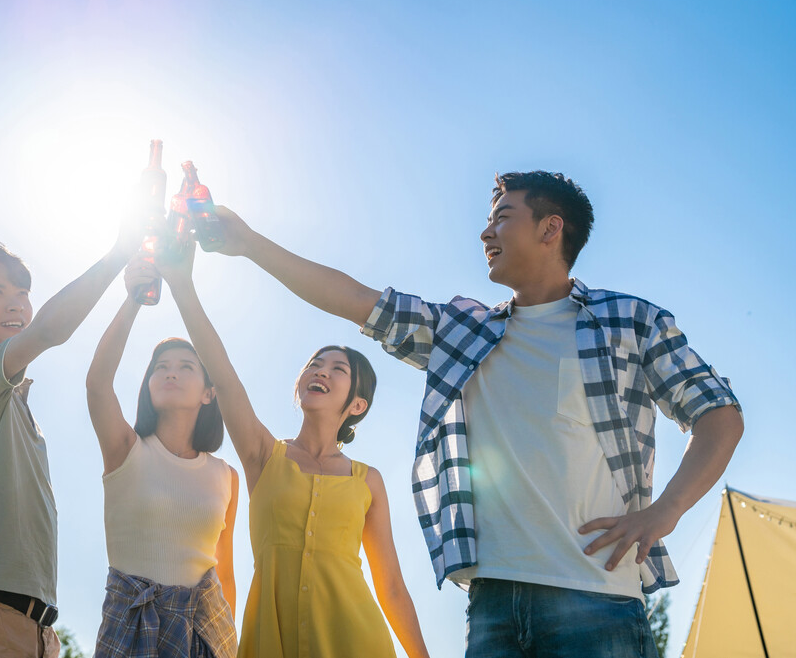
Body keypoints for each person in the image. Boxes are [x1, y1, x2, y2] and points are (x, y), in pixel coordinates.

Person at [208, 170, 744, 656]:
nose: (486, 234)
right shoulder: (463, 333)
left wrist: (664, 513)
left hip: (597, 602)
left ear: (550, 228)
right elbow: (356, 299)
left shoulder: (629, 321)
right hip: (492, 611)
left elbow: (719, 413)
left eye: (502, 219)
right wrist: (249, 244)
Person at [151, 240, 432, 658]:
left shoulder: (367, 481)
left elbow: (390, 585)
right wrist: (182, 285)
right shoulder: (264, 455)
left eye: (338, 369)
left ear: (357, 405)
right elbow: (225, 378)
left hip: (357, 643)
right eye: (315, 365)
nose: (321, 371)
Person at [0, 227, 141, 658]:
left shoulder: (14, 403)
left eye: (23, 292)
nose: (17, 303)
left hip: (33, 628)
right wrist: (119, 254)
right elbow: (47, 331)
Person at [85, 261, 239, 658]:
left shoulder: (226, 476)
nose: (170, 373)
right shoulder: (126, 449)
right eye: (160, 368)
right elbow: (98, 384)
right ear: (148, 385)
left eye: (186, 367)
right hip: (130, 626)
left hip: (206, 633)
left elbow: (224, 569)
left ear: (209, 393)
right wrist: (134, 299)